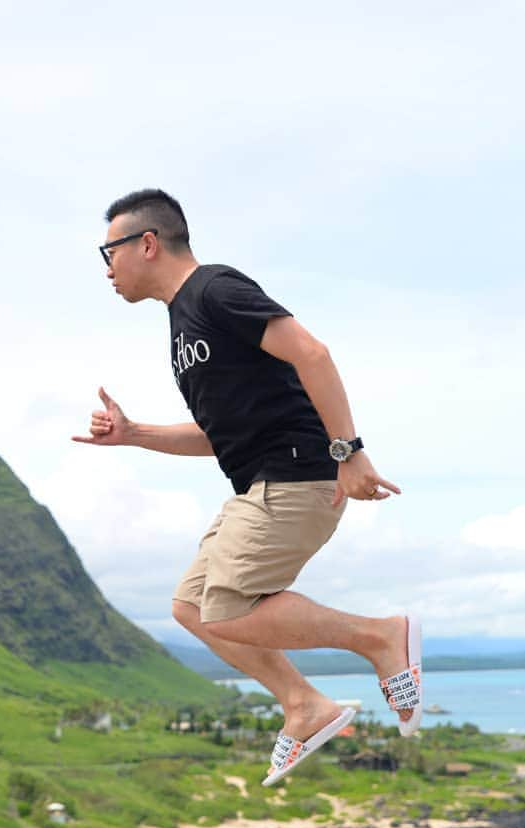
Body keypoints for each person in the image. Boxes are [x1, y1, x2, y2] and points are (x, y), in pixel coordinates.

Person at [73, 189, 422, 786]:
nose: (106, 269)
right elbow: (220, 435)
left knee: (228, 610)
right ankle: (304, 705)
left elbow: (312, 352)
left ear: (147, 244)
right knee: (191, 608)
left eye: (108, 252)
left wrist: (349, 452)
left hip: (295, 476)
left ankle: (382, 636)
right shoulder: (181, 326)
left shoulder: (213, 290)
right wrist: (134, 434)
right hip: (258, 482)